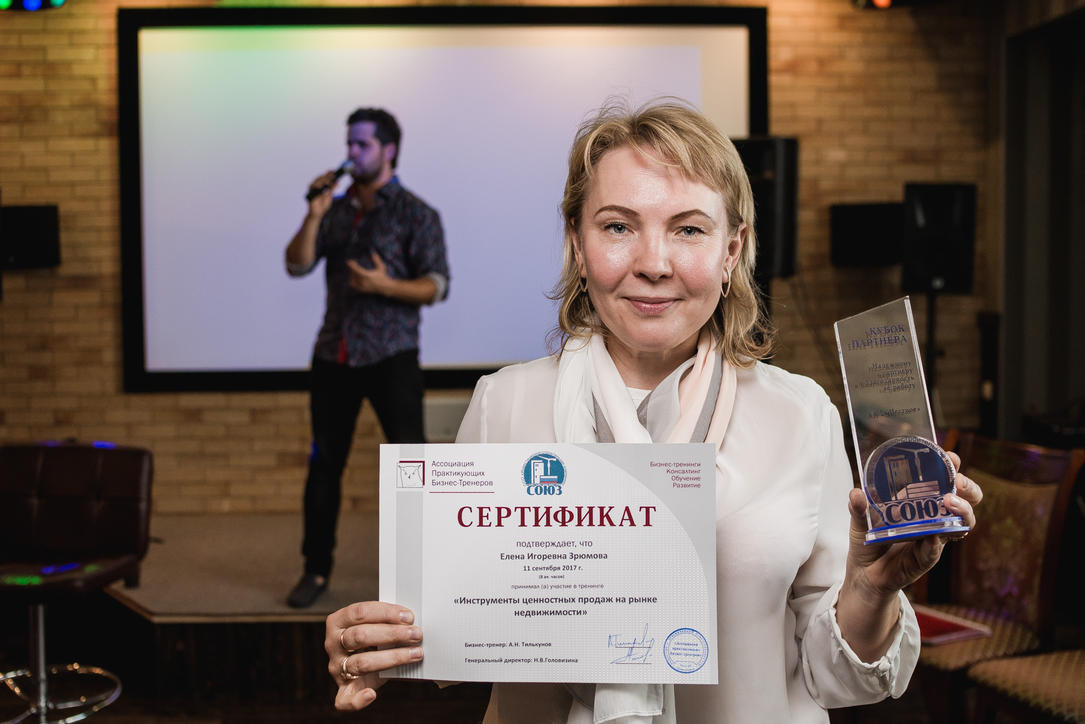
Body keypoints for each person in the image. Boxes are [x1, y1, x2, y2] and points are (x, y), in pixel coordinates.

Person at [322, 101, 982, 721]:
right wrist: (373, 643)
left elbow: (837, 677)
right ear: (578, 245)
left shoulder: (800, 414)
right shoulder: (505, 404)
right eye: (617, 227)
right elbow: (456, 633)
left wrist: (872, 590)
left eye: (688, 229)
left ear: (731, 251)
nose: (653, 264)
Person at [284, 107, 450, 609]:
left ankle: (424, 576)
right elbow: (296, 265)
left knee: (413, 467)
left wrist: (385, 286)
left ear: (388, 150)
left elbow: (437, 285)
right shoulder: (334, 211)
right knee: (324, 464)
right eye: (349, 144)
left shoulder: (417, 213)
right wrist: (314, 214)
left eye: (362, 145)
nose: (351, 153)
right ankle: (315, 569)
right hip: (334, 355)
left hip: (391, 355)